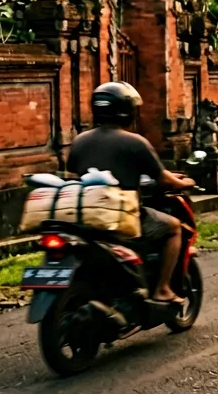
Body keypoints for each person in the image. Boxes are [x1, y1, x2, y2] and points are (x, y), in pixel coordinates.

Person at [66, 82, 195, 303]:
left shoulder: (79, 141)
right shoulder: (135, 143)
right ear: (126, 111)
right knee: (174, 227)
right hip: (122, 216)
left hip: (86, 215)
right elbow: (163, 180)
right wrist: (184, 183)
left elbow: (74, 173)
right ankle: (162, 288)